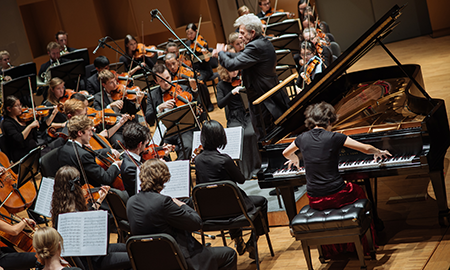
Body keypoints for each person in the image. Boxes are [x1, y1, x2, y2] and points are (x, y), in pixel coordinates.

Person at [282, 101, 390, 257]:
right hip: (336, 196)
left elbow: (286, 153)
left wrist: (295, 159)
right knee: (359, 190)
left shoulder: (302, 137)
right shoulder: (335, 137)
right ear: (329, 121)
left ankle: (334, 249)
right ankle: (364, 246)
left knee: (342, 191)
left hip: (314, 198)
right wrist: (378, 151)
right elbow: (366, 148)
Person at [127, 158, 237, 270]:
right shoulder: (163, 202)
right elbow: (196, 223)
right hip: (175, 259)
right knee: (229, 254)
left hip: (147, 261)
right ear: (163, 179)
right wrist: (181, 205)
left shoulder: (131, 202)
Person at [194, 120, 268, 260]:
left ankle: (237, 239)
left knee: (227, 202)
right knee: (261, 202)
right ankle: (252, 242)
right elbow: (241, 179)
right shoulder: (225, 160)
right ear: (220, 137)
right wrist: (234, 164)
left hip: (210, 212)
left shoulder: (197, 160)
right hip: (233, 208)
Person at [213, 13, 290, 140]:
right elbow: (239, 57)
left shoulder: (255, 46)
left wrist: (221, 53)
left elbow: (232, 65)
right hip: (265, 94)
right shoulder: (261, 42)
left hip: (263, 99)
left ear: (252, 32)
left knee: (266, 135)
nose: (239, 36)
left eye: (242, 33)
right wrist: (225, 53)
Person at [51, 166, 131, 270]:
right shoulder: (72, 214)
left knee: (129, 248)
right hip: (93, 261)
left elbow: (85, 218)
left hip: (94, 255)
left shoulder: (61, 206)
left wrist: (99, 200)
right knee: (134, 257)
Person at [216, 64, 261, 179]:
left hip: (247, 114)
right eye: (232, 70)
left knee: (251, 134)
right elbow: (220, 104)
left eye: (236, 69)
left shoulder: (243, 79)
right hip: (234, 117)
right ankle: (245, 172)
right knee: (239, 137)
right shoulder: (221, 85)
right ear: (225, 71)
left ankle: (257, 168)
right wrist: (232, 93)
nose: (235, 72)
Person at [145, 64, 198, 160]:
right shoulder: (152, 95)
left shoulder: (183, 89)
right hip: (165, 130)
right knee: (155, 152)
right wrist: (159, 108)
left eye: (167, 78)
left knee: (187, 147)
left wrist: (194, 90)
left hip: (183, 128)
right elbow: (149, 118)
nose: (166, 83)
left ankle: (179, 168)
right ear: (156, 81)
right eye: (161, 81)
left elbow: (196, 107)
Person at [57, 115, 122, 187]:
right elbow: (106, 178)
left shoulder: (63, 148)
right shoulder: (84, 155)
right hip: (87, 191)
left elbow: (88, 153)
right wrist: (116, 164)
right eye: (89, 131)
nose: (91, 134)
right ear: (80, 133)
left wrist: (108, 151)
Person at [94, 69, 142, 148]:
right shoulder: (98, 97)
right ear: (103, 85)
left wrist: (137, 102)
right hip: (113, 129)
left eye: (115, 81)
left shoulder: (121, 91)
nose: (115, 84)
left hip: (127, 124)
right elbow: (99, 115)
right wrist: (110, 106)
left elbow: (132, 110)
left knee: (141, 136)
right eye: (111, 82)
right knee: (119, 143)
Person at [1, 95, 57, 162]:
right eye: (17, 106)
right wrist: (30, 126)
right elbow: (19, 138)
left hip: (34, 150)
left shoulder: (24, 118)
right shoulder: (7, 124)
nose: (20, 108)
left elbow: (42, 127)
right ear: (9, 109)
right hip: (23, 155)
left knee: (53, 153)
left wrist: (53, 114)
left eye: (20, 105)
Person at [185, 23, 214, 112]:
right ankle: (197, 105)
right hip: (194, 70)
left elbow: (207, 60)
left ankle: (208, 104)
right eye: (188, 34)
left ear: (196, 31)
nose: (189, 36)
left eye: (191, 33)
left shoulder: (203, 42)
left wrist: (205, 54)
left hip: (205, 70)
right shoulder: (187, 44)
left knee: (200, 81)